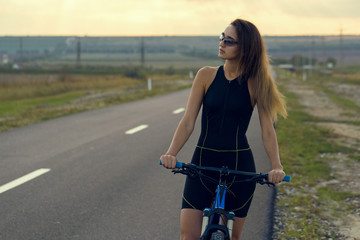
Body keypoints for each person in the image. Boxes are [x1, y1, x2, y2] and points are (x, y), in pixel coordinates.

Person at [160, 18, 287, 240]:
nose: (222, 43)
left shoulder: (257, 82)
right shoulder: (205, 75)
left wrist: (276, 166)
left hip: (239, 166)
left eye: (230, 41)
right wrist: (171, 153)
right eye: (222, 37)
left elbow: (267, 130)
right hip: (203, 164)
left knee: (232, 237)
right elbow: (188, 120)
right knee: (188, 235)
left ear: (245, 49)